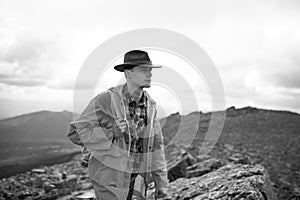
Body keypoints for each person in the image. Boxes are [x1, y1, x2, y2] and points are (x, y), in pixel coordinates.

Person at [67, 50, 169, 200]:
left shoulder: (151, 106)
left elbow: (156, 147)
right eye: (143, 70)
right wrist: (110, 133)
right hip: (110, 181)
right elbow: (75, 133)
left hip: (139, 182)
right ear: (128, 74)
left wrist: (162, 183)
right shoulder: (105, 100)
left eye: (150, 70)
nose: (150, 74)